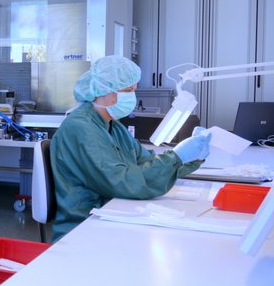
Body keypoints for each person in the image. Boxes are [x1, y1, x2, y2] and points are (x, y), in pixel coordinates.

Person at [49, 55, 211, 241]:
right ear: (104, 90)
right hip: (83, 228)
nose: (133, 96)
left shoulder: (113, 125)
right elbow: (121, 182)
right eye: (128, 90)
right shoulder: (81, 128)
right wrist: (176, 157)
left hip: (111, 214)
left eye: (134, 90)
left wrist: (190, 159)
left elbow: (145, 161)